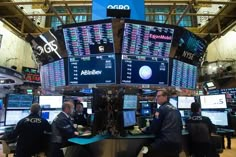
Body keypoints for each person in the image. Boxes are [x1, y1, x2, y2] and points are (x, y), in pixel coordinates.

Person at [140, 90, 182, 157]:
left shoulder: (161, 109)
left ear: (165, 97)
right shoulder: (176, 109)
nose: (156, 98)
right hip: (177, 145)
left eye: (158, 96)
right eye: (156, 96)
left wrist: (144, 130)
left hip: (164, 144)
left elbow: (154, 128)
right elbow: (181, 127)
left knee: (145, 151)